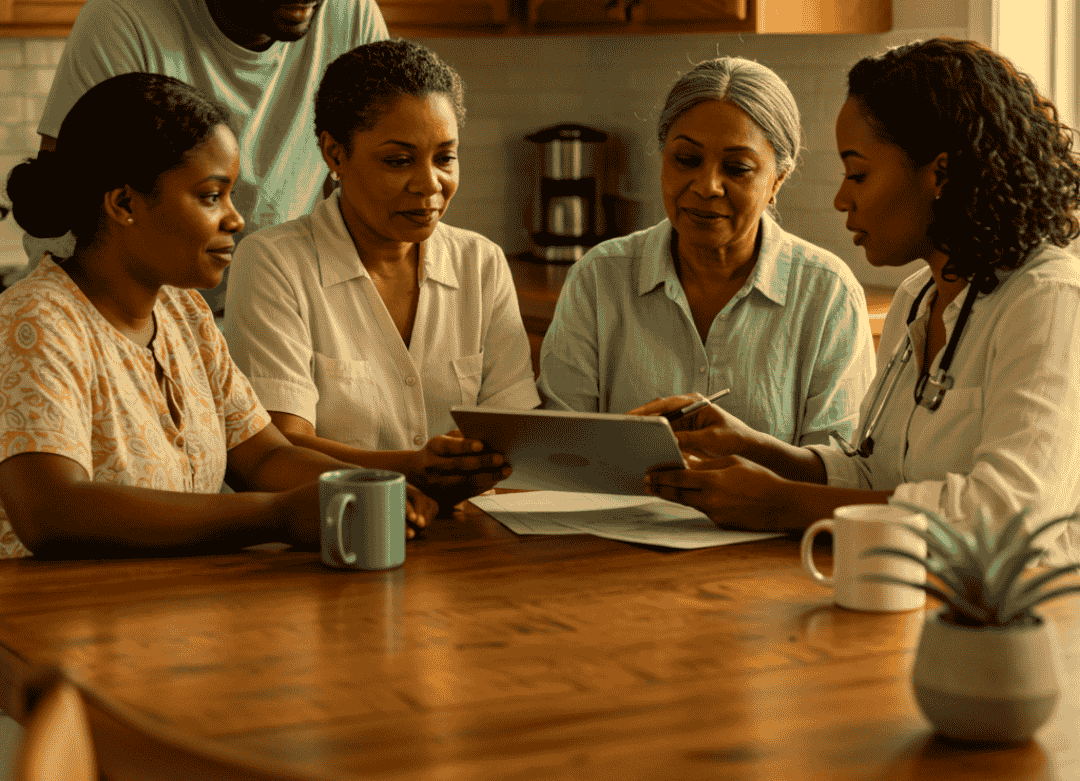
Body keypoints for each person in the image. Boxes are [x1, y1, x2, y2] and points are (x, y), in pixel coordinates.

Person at [644, 39, 1080, 565]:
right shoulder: (918, 299)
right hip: (907, 600)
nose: (841, 198)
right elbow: (879, 477)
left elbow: (1006, 514)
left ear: (939, 174)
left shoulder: (1051, 302)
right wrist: (753, 448)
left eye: (858, 173)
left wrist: (783, 503)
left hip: (1016, 628)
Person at [0, 73, 436, 559]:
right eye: (211, 196)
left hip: (175, 617)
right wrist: (277, 515)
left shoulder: (183, 312)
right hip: (55, 622)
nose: (235, 218)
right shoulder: (37, 320)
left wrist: (376, 487)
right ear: (124, 203)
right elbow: (51, 511)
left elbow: (266, 455)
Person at [28, 0, 388, 313]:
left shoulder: (351, 14)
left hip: (284, 312)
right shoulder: (124, 21)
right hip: (145, 318)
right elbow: (63, 205)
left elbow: (371, 185)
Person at [224, 40, 539, 508]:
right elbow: (278, 450)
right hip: (331, 539)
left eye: (445, 157)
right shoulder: (275, 261)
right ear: (335, 154)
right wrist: (412, 468)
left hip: (468, 539)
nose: (430, 184)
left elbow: (518, 439)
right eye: (399, 160)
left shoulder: (481, 263)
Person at [537, 57, 875, 448]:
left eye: (736, 168)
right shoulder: (598, 277)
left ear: (777, 179)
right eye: (686, 160)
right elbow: (561, 449)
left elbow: (835, 468)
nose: (707, 186)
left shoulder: (827, 293)